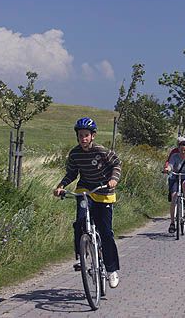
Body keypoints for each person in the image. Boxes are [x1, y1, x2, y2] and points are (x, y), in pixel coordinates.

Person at [53, 117, 121, 288]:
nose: (83, 139)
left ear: (93, 136)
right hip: (85, 191)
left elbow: (117, 164)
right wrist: (61, 186)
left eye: (86, 135)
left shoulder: (101, 151)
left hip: (104, 191)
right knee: (80, 222)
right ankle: (81, 257)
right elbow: (72, 173)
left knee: (106, 233)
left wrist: (113, 179)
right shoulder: (75, 153)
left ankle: (112, 270)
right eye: (80, 135)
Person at [163, 140, 185, 233]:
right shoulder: (174, 156)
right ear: (178, 149)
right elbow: (170, 165)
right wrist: (168, 169)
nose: (183, 152)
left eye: (184, 150)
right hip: (175, 177)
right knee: (174, 196)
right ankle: (172, 223)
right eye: (181, 150)